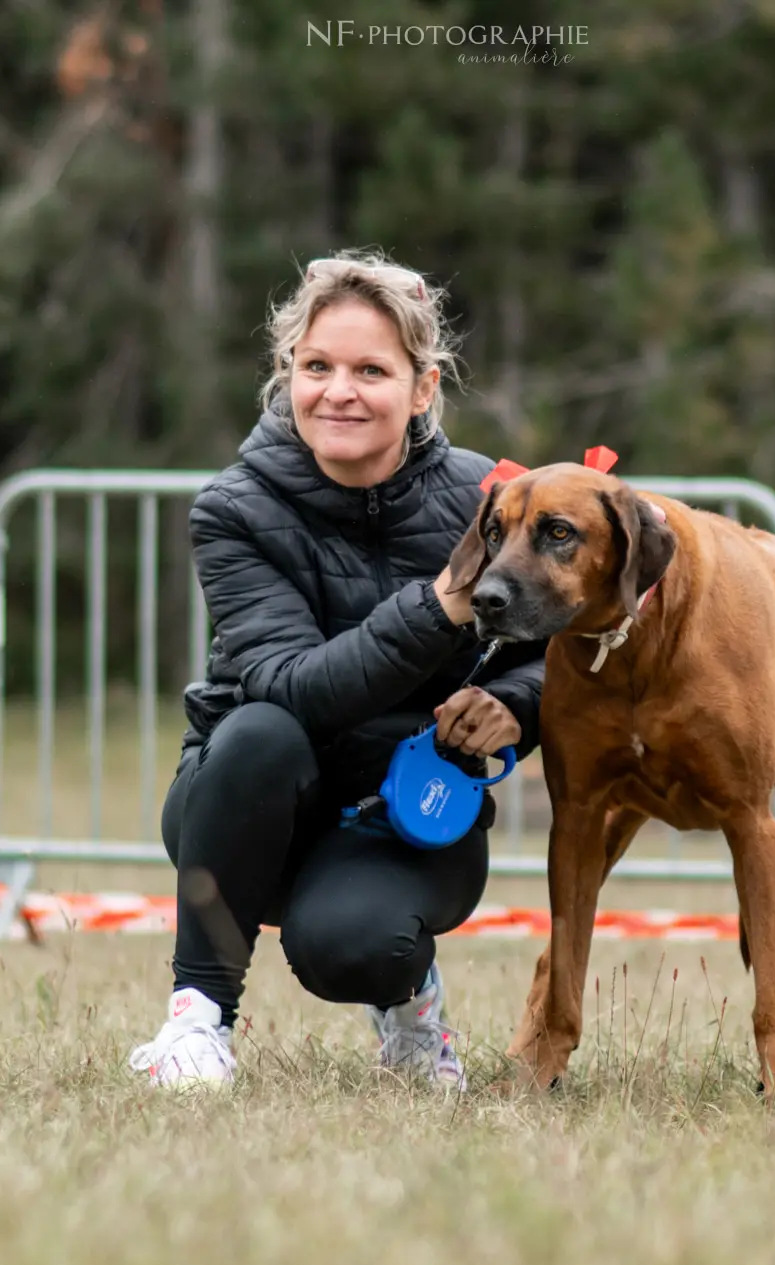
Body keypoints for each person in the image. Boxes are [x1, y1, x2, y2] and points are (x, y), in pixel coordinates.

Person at [127, 250, 545, 1091]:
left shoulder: (494, 499)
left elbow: (556, 648)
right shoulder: (233, 508)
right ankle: (196, 1021)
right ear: (288, 373)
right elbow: (293, 686)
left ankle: (410, 1007)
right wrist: (441, 608)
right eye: (316, 366)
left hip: (412, 812)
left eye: (370, 370)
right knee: (258, 729)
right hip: (246, 808)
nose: (338, 391)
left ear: (423, 388)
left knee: (351, 948)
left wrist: (514, 704)